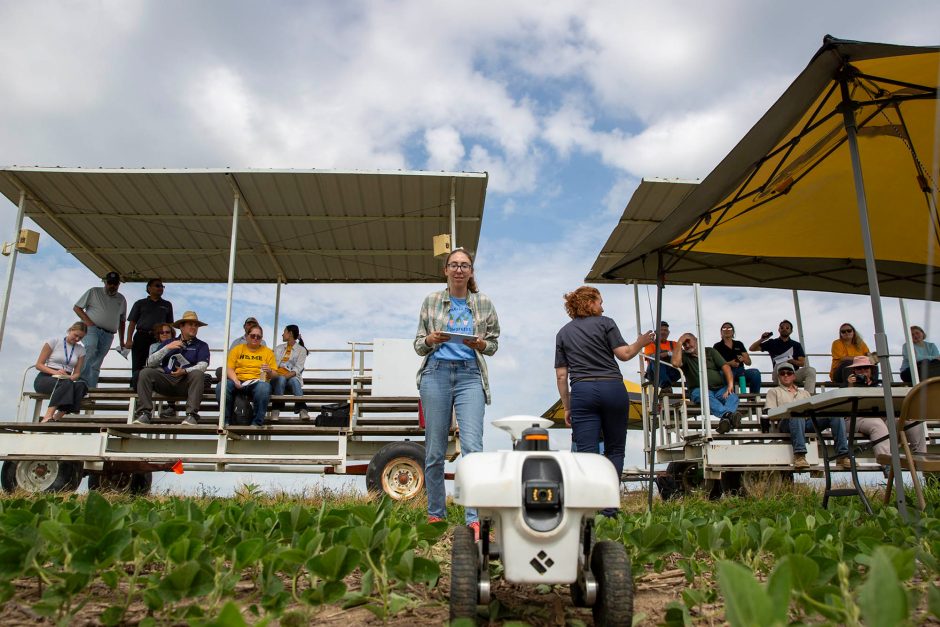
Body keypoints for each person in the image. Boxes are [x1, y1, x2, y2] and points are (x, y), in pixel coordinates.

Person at [414, 248, 499, 539]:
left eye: (465, 265)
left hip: (470, 375)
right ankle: (436, 515)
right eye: (454, 265)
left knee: (473, 449)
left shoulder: (484, 303)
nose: (459, 270)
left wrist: (481, 345)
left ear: (471, 271)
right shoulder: (432, 301)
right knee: (435, 450)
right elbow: (418, 344)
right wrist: (430, 338)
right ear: (446, 271)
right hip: (436, 372)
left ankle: (475, 518)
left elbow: (494, 343)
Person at [555, 286, 653, 515]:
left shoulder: (563, 333)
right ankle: (609, 508)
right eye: (599, 301)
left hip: (582, 391)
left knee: (587, 454)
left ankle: (589, 508)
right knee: (615, 450)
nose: (603, 306)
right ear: (589, 302)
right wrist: (641, 341)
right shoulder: (606, 323)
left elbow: (561, 375)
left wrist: (567, 406)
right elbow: (625, 354)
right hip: (612, 388)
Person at [767, 362, 850, 471]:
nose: (786, 375)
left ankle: (843, 455)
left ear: (794, 376)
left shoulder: (804, 393)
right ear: (778, 376)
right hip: (786, 422)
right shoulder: (774, 391)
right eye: (782, 373)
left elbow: (813, 410)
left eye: (789, 373)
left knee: (835, 415)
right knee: (796, 414)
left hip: (806, 421)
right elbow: (770, 413)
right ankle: (799, 455)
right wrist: (790, 411)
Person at [134, 311, 211, 426]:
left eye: (196, 325)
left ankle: (191, 416)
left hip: (186, 382)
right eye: (190, 324)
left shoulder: (202, 345)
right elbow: (150, 362)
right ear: (181, 326)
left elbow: (203, 365)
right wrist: (167, 348)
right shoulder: (169, 342)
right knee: (145, 372)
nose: (194, 327)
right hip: (166, 381)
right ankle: (144, 413)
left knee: (198, 374)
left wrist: (185, 371)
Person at [844, 355, 927, 458]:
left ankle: (922, 460)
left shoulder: (879, 384)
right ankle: (886, 464)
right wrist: (850, 385)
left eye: (866, 368)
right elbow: (845, 404)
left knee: (912, 422)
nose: (863, 371)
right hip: (855, 419)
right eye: (859, 368)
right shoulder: (847, 385)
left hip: (882, 417)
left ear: (871, 370)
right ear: (854, 371)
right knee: (877, 424)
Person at [671, 333, 741, 434]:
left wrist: (730, 385)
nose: (686, 346)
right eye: (684, 344)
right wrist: (679, 342)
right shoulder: (685, 356)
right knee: (705, 395)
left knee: (733, 397)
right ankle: (729, 416)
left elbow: (725, 367)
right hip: (698, 390)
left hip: (719, 389)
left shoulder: (710, 351)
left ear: (696, 340)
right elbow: (675, 363)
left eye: (688, 342)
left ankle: (725, 420)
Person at [73, 271, 127, 389]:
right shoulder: (94, 291)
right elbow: (77, 308)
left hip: (109, 334)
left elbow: (122, 321)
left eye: (115, 284)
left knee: (98, 360)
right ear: (105, 282)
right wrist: (89, 323)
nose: (112, 286)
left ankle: (90, 389)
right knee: (91, 348)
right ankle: (80, 383)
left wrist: (122, 341)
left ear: (118, 284)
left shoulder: (121, 299)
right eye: (110, 283)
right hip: (91, 329)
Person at [218, 323, 277, 427]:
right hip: (238, 379)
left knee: (264, 387)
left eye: (258, 337)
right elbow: (229, 368)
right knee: (222, 386)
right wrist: (235, 380)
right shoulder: (237, 349)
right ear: (246, 336)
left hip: (257, 381)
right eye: (253, 335)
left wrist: (269, 371)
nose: (255, 338)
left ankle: (257, 422)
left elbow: (275, 374)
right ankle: (226, 420)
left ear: (261, 338)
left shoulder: (268, 352)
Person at [124, 279, 174, 390]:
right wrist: (128, 340)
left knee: (158, 365)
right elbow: (132, 322)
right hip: (142, 336)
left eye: (162, 286)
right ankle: (135, 392)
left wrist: (172, 340)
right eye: (157, 285)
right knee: (138, 365)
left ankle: (154, 389)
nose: (160, 288)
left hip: (159, 338)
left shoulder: (167, 304)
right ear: (149, 288)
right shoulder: (140, 303)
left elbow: (170, 324)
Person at [34, 322, 88, 422]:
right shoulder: (54, 341)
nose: (77, 339)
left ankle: (57, 416)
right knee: (65, 384)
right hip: (46, 377)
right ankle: (47, 417)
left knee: (81, 386)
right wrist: (55, 373)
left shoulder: (81, 350)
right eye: (75, 335)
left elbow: (77, 373)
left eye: (80, 338)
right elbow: (39, 365)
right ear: (70, 330)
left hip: (66, 379)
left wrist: (71, 378)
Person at [750, 320, 817, 393]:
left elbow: (802, 363)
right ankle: (785, 394)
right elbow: (752, 348)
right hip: (778, 374)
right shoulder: (772, 342)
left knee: (811, 370)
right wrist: (762, 339)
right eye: (782, 328)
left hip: (793, 373)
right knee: (784, 364)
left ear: (791, 331)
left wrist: (790, 360)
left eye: (787, 328)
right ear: (779, 330)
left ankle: (808, 396)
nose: (784, 329)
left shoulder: (796, 345)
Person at [270, 325, 309, 420]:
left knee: (294, 381)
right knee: (280, 379)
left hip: (291, 378)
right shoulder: (278, 348)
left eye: (284, 332)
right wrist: (279, 376)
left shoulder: (301, 350)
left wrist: (284, 377)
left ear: (290, 333)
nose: (282, 334)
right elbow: (272, 365)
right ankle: (276, 408)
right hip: (276, 377)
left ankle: (301, 409)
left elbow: (297, 369)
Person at [712, 322, 761, 394]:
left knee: (755, 373)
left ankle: (753, 398)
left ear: (733, 332)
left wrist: (743, 359)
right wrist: (729, 363)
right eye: (724, 328)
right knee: (722, 374)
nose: (727, 330)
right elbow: (715, 364)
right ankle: (731, 397)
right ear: (721, 332)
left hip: (740, 371)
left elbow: (749, 362)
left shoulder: (739, 344)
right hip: (726, 371)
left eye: (729, 328)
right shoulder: (717, 346)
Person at [642, 321, 681, 390]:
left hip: (671, 372)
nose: (663, 332)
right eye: (661, 330)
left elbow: (683, 355)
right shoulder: (650, 344)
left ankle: (694, 385)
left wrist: (668, 354)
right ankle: (666, 387)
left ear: (668, 332)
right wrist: (669, 354)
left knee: (685, 362)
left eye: (665, 330)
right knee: (656, 359)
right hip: (654, 373)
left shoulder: (674, 344)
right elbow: (651, 357)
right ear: (656, 332)